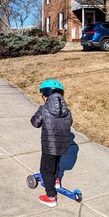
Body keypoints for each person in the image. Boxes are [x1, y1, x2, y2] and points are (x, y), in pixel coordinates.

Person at [30, 79, 73, 207]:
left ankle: (50, 197)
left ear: (45, 95)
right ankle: (56, 182)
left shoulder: (44, 109)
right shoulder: (67, 111)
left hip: (49, 145)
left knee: (45, 169)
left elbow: (34, 123)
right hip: (63, 144)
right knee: (56, 163)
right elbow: (69, 123)